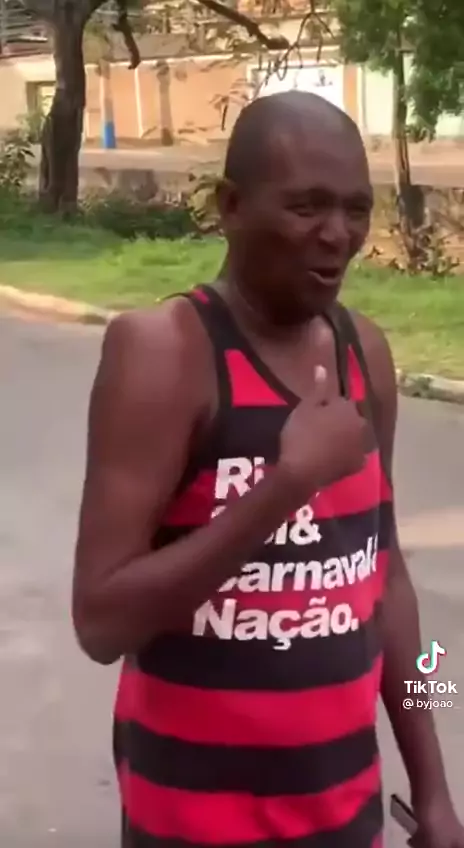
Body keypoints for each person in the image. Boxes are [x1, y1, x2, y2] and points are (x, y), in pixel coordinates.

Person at [72, 91, 464, 848]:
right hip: (193, 825)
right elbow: (100, 619)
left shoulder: (365, 353)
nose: (337, 234)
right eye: (306, 206)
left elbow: (387, 581)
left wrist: (435, 789)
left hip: (346, 817)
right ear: (231, 206)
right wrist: (284, 489)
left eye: (356, 209)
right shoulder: (166, 353)